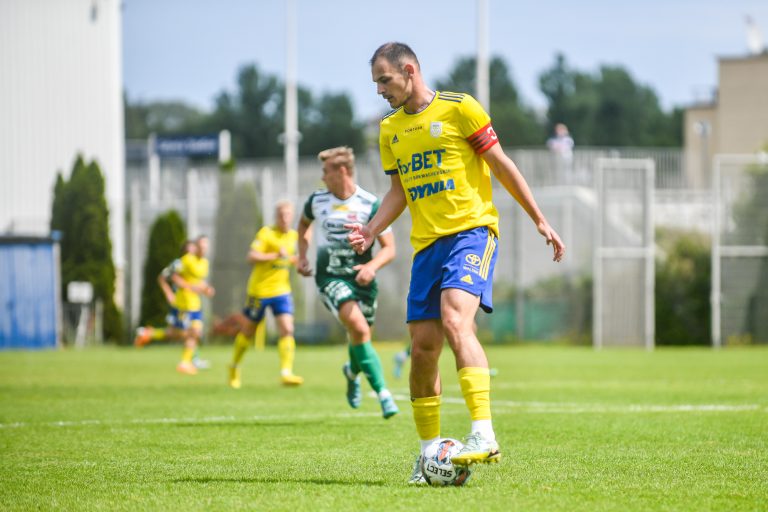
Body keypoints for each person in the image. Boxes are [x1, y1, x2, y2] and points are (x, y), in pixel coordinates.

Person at [348, 42, 565, 483]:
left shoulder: (460, 108)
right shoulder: (390, 130)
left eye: (384, 80)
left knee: (454, 319)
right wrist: (371, 230)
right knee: (423, 350)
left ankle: (483, 433)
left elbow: (501, 165)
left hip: (471, 233)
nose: (379, 91)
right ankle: (429, 455)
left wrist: (540, 219)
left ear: (410, 70)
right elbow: (398, 192)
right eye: (375, 83)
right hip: (426, 247)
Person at [297, 146, 399, 420]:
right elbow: (303, 226)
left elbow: (389, 249)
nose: (322, 177)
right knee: (358, 329)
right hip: (330, 277)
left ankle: (351, 372)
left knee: (360, 336)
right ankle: (384, 395)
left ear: (342, 171)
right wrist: (302, 256)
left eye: (326, 171)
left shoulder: (370, 203)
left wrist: (371, 266)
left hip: (362, 281)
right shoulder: (316, 201)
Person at [228, 201, 304, 388]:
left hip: (282, 291)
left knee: (287, 329)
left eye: (287, 215)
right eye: (281, 215)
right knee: (248, 331)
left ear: (292, 216)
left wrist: (299, 263)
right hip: (259, 291)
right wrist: (274, 255)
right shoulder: (266, 233)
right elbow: (251, 256)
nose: (284, 218)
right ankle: (234, 366)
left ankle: (286, 372)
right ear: (276, 216)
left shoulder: (294, 236)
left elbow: (291, 258)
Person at [172, 235, 215, 375]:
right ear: (196, 246)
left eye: (205, 246)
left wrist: (206, 288)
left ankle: (186, 362)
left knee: (195, 333)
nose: (204, 249)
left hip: (195, 304)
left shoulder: (204, 263)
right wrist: (189, 287)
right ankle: (187, 361)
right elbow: (174, 276)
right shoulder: (186, 259)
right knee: (182, 334)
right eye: (201, 246)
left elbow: (199, 281)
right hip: (184, 303)